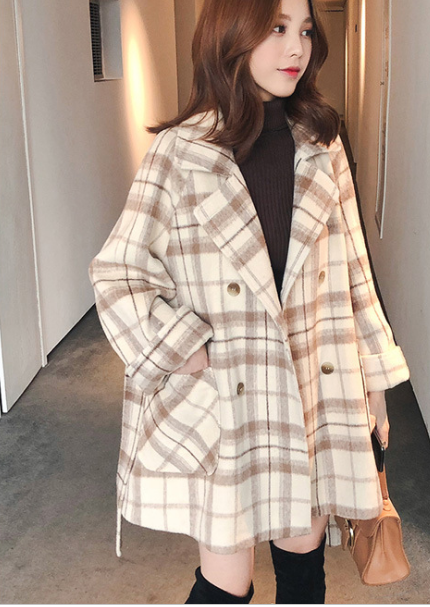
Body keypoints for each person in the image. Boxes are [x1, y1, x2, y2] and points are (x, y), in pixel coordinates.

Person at [89, 0, 410, 603]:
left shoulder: (322, 144)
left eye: (305, 31)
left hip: (313, 387)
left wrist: (376, 385)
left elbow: (354, 273)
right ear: (232, 33)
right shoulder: (181, 151)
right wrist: (187, 351)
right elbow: (118, 273)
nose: (297, 48)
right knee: (225, 583)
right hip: (229, 398)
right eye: (277, 29)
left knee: (303, 566)